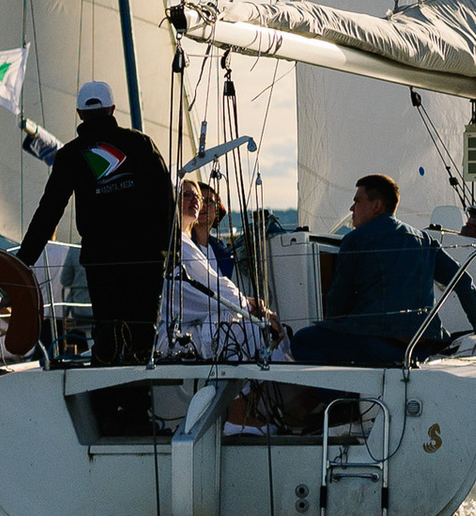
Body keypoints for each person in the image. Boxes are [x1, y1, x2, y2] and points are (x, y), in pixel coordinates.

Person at [16, 80, 174, 366]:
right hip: (145, 259)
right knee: (143, 340)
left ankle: (107, 388)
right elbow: (165, 198)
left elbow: (49, 211)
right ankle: (141, 388)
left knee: (107, 338)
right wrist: (170, 252)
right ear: (112, 109)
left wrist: (24, 259)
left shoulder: (70, 155)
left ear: (79, 114)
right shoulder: (140, 144)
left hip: (101, 262)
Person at [287, 175, 439, 367]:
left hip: (378, 345)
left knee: (303, 340)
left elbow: (339, 302)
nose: (352, 208)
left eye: (357, 201)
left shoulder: (355, 240)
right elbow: (463, 281)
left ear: (376, 206)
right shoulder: (424, 240)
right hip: (422, 347)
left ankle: (343, 387)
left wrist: (335, 325)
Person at [156, 179, 279, 363]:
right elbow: (207, 289)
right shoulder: (177, 244)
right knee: (260, 330)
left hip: (192, 325)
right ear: (173, 201)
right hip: (175, 334)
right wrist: (247, 305)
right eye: (186, 195)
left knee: (259, 328)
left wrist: (245, 305)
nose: (195, 200)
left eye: (197, 196)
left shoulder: (188, 244)